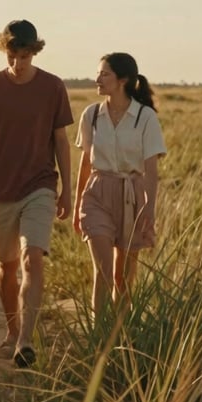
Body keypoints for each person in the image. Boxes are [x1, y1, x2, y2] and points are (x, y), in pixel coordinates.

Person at [0, 20, 73, 368]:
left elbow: (60, 140)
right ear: (5, 51)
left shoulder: (53, 87)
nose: (18, 63)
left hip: (40, 185)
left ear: (35, 52)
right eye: (13, 56)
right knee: (5, 268)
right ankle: (12, 332)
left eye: (25, 56)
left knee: (33, 258)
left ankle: (26, 340)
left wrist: (67, 189)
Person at [72, 52, 166, 315]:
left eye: (104, 74)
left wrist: (149, 207)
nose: (97, 79)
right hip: (97, 194)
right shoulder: (91, 115)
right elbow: (85, 163)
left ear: (122, 79)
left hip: (131, 195)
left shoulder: (145, 117)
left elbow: (150, 169)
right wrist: (78, 203)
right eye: (98, 73)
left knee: (123, 278)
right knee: (102, 271)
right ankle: (97, 338)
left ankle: (119, 335)